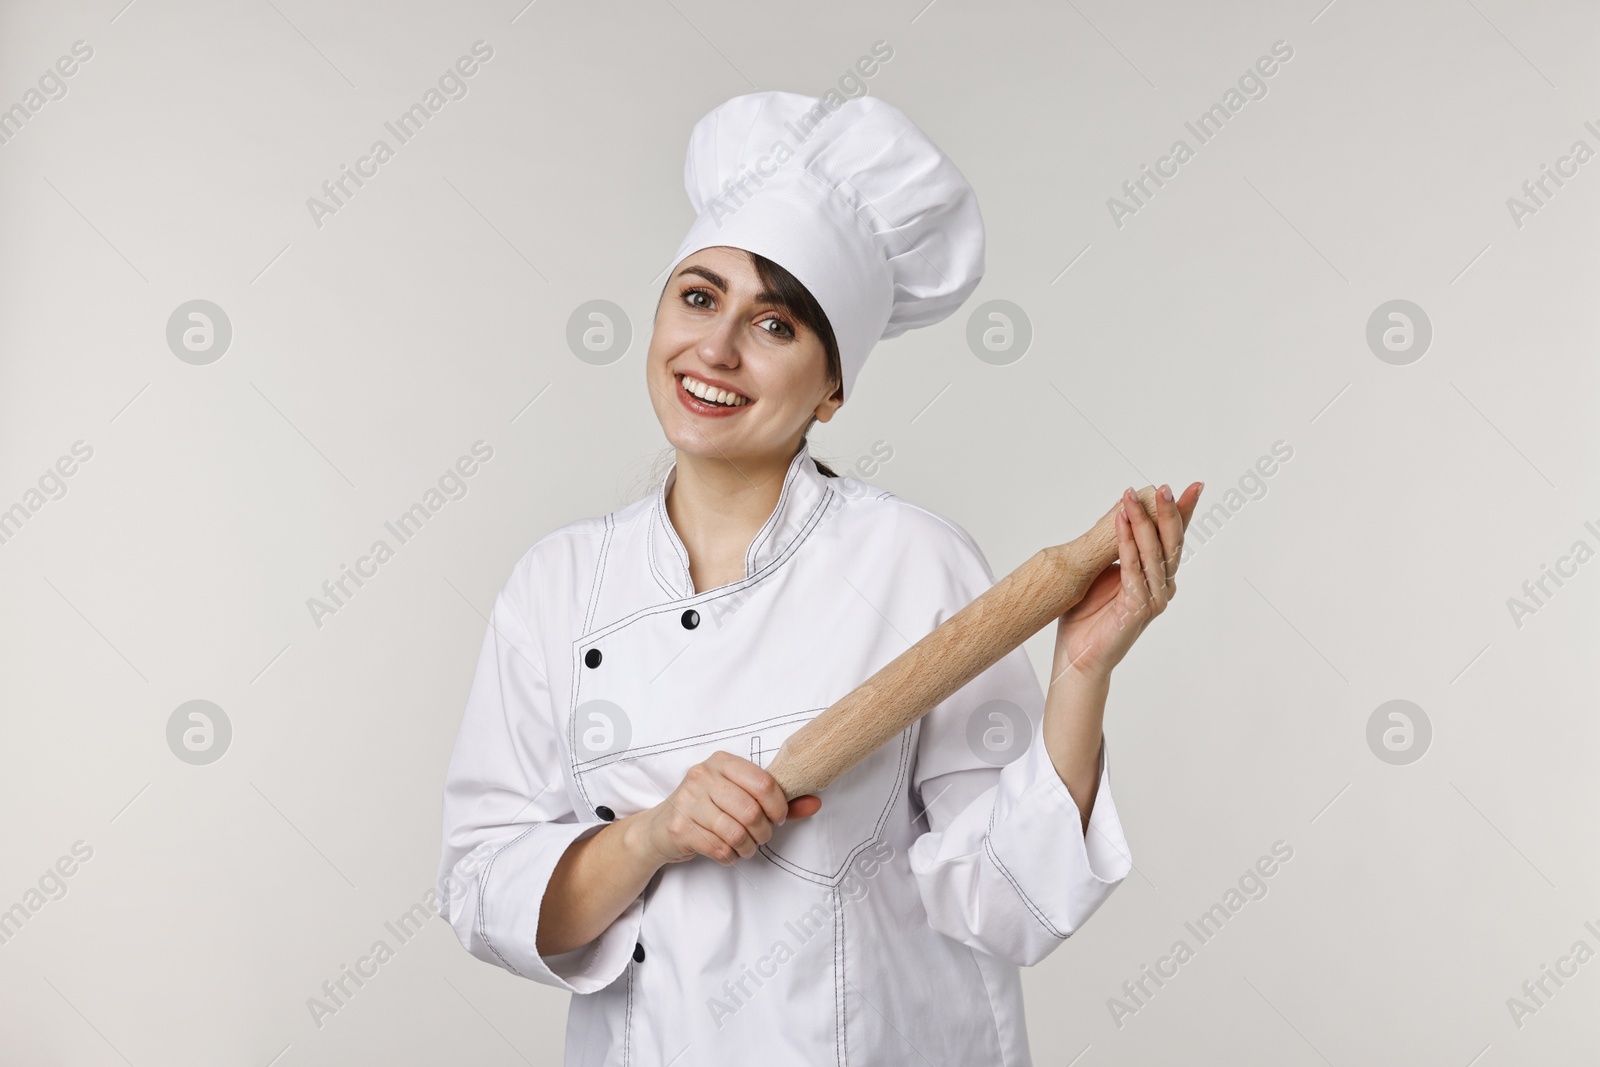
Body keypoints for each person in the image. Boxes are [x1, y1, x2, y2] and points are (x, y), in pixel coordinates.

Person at [436, 89, 1201, 1066]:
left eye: (776, 324)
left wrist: (1083, 674)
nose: (713, 348)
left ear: (833, 388)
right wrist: (654, 833)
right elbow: (481, 882)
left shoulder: (911, 562)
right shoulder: (557, 585)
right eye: (699, 296)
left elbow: (1006, 905)